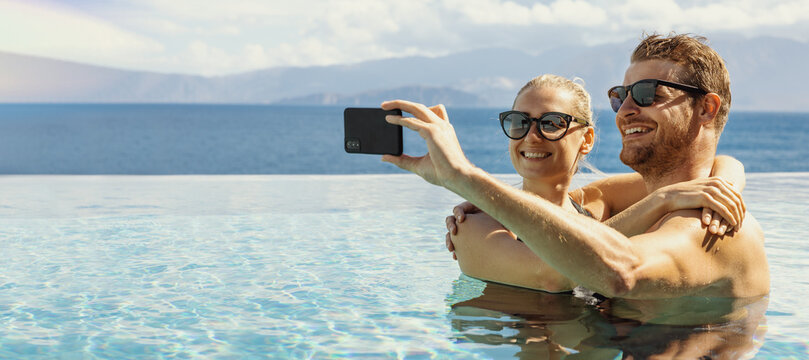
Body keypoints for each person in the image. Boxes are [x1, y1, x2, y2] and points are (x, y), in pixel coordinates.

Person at [380, 33, 769, 299]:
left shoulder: (710, 226)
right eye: (621, 96)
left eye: (648, 94)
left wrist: (464, 178)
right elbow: (582, 208)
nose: (626, 110)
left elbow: (615, 272)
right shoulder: (655, 199)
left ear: (707, 108)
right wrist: (493, 203)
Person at [441, 74, 747, 293]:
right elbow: (553, 275)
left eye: (551, 123)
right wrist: (661, 200)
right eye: (519, 122)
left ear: (586, 139)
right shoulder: (474, 226)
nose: (531, 136)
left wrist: (723, 190)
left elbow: (709, 171)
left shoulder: (597, 203)